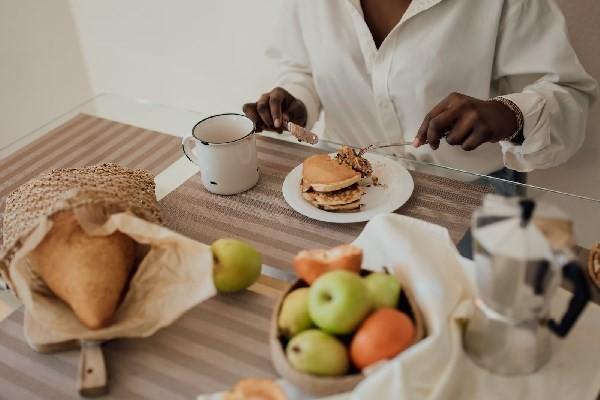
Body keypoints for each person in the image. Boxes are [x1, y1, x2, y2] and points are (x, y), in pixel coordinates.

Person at [242, 0, 597, 184]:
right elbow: (300, 64)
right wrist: (296, 98)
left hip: (471, 195)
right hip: (347, 187)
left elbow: (568, 94)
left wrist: (510, 114)